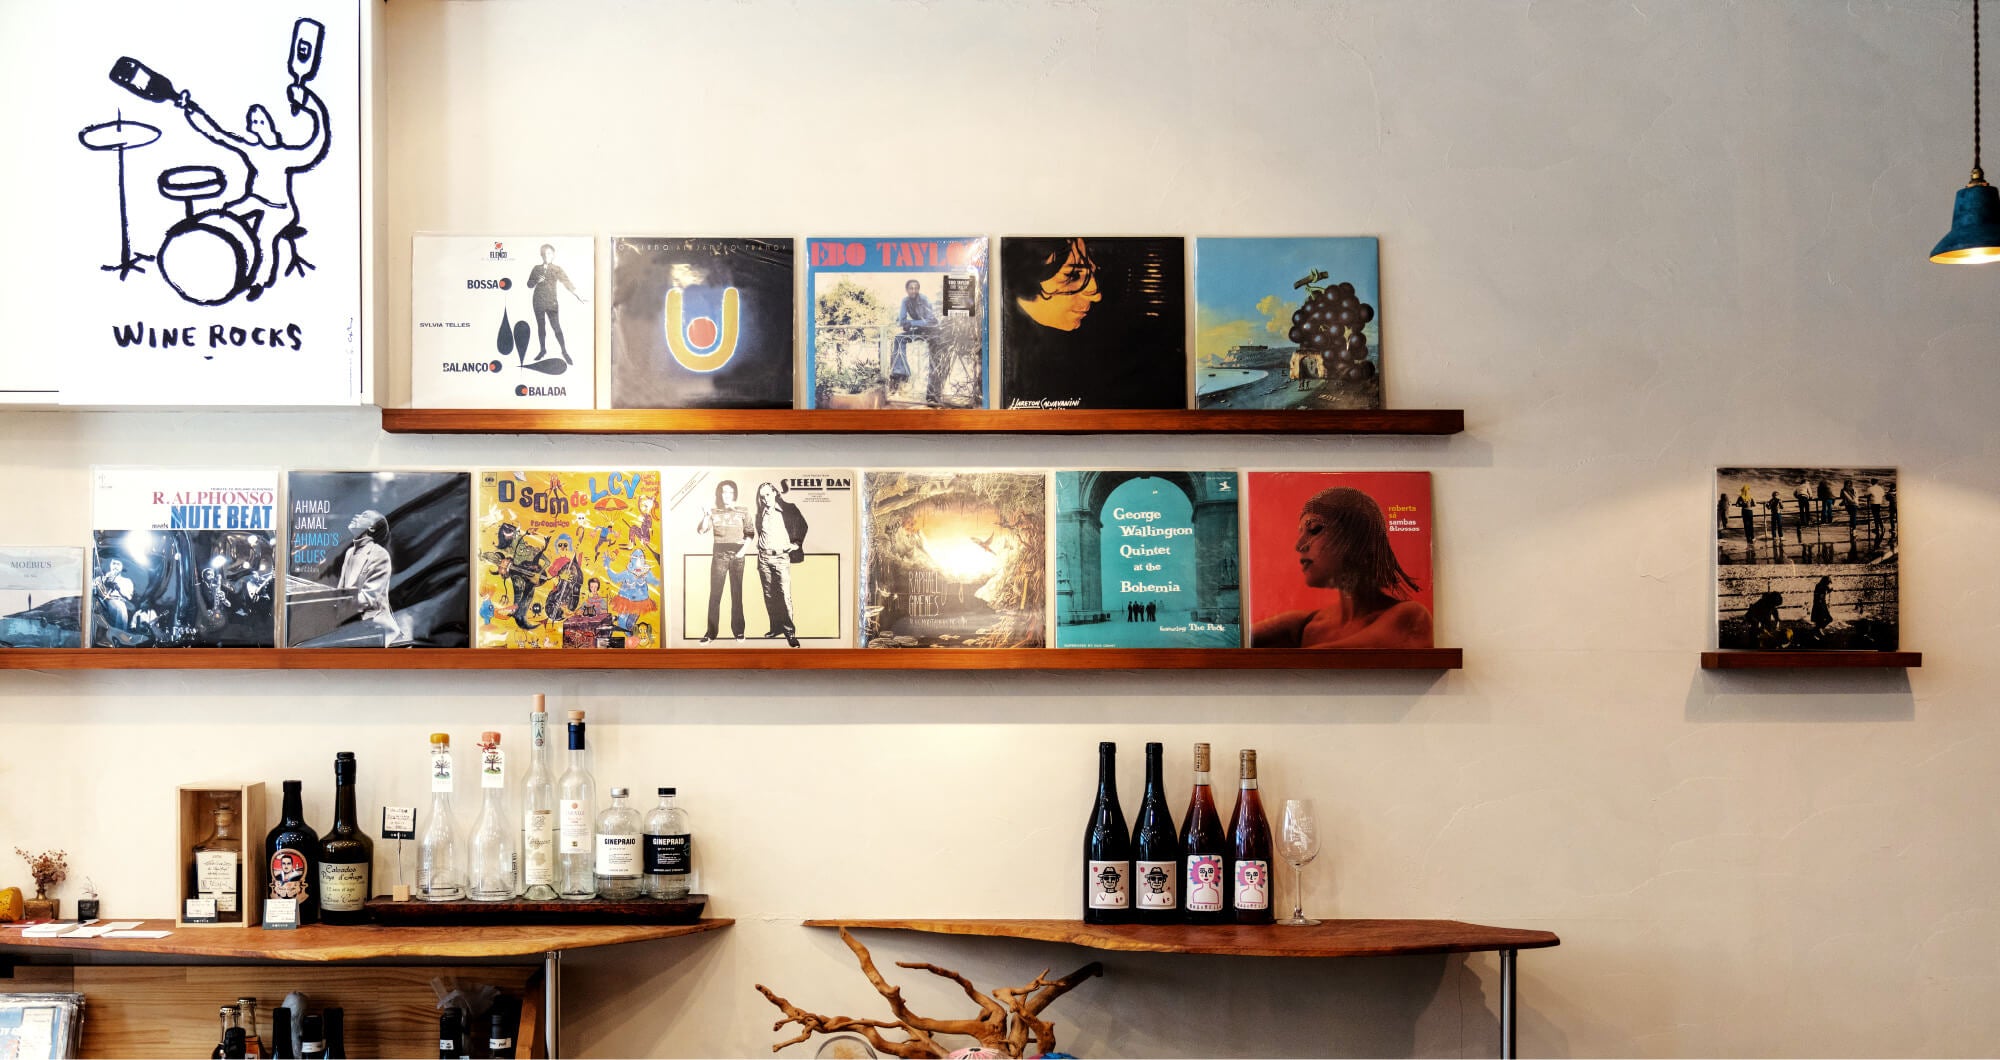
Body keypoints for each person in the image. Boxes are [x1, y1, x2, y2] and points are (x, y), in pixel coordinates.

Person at [175, 77, 330, 299]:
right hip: (255, 200)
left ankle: (259, 282)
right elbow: (217, 134)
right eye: (254, 122)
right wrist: (191, 110)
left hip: (279, 208)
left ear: (269, 124)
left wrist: (310, 104)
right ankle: (214, 257)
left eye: (260, 121)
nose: (257, 125)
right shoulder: (253, 150)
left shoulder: (286, 156)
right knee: (225, 214)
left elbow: (317, 144)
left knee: (263, 237)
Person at [1250, 487, 1433, 649]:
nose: (1299, 545)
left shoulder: (1410, 616)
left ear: (1356, 539)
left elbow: (1327, 659)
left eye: (1314, 529)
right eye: (1301, 532)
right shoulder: (1303, 625)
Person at [326, 509, 399, 645]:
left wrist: (340, 605)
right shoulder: (350, 552)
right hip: (349, 623)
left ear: (371, 528)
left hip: (373, 627)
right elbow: (341, 591)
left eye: (364, 515)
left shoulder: (380, 555)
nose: (356, 515)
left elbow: (369, 598)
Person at [753, 482, 808, 648]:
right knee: (769, 595)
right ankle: (775, 628)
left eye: (768, 495)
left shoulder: (789, 509)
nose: (765, 499)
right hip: (763, 558)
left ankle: (790, 633)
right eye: (762, 497)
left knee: (784, 597)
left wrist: (796, 544)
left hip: (781, 558)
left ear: (775, 493)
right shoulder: (760, 513)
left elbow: (803, 525)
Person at [695, 481, 750, 642]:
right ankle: (711, 633)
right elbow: (701, 530)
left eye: (730, 492)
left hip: (738, 555)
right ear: (719, 494)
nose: (726, 495)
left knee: (737, 594)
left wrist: (742, 552)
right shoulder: (714, 512)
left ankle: (739, 631)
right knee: (715, 594)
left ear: (734, 494)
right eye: (724, 492)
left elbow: (750, 533)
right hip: (719, 555)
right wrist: (706, 516)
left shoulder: (743, 511)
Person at [525, 243, 586, 365]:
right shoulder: (536, 268)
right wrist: (536, 281)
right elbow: (529, 285)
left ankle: (564, 352)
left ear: (553, 255)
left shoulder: (557, 269)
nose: (546, 256)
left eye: (549, 253)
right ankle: (542, 350)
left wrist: (578, 295)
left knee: (556, 327)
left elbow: (567, 282)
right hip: (538, 301)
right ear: (541, 255)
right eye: (544, 253)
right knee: (541, 327)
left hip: (551, 302)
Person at [890, 279, 939, 388]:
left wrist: (911, 323)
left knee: (934, 361)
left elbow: (930, 321)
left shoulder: (924, 299)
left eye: (916, 288)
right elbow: (902, 320)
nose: (913, 291)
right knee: (899, 338)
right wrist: (905, 323)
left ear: (919, 289)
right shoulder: (905, 301)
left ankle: (933, 387)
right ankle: (902, 372)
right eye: (911, 288)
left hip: (933, 331)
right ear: (906, 290)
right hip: (920, 331)